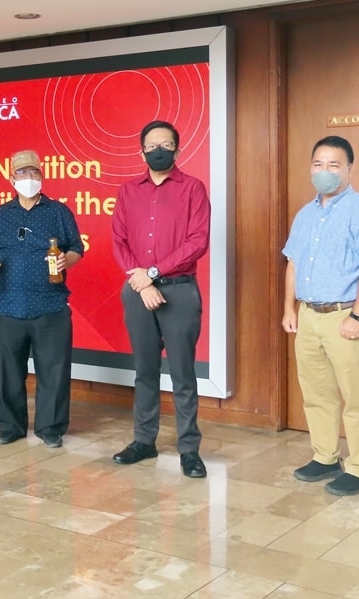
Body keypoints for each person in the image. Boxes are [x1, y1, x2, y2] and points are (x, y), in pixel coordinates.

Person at [282, 135, 359, 496]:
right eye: (318, 165)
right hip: (310, 316)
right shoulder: (305, 213)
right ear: (310, 168)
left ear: (349, 169)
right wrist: (289, 308)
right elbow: (293, 264)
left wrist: (358, 318)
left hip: (346, 316)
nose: (325, 171)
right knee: (317, 393)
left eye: (333, 165)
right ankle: (325, 456)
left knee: (356, 396)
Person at [111, 120, 211, 478]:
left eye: (166, 145)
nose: (159, 150)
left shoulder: (193, 190)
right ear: (141, 151)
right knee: (145, 371)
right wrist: (143, 281)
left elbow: (197, 242)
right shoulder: (128, 191)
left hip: (180, 290)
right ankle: (144, 441)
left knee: (183, 373)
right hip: (138, 290)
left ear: (177, 150)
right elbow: (119, 241)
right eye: (152, 145)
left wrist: (152, 273)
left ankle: (189, 450)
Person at [0, 149, 83, 448]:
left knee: (54, 371)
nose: (29, 178)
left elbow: (76, 247)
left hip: (51, 305)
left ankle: (51, 428)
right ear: (12, 179)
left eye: (34, 172)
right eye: (22, 173)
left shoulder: (59, 212)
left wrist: (66, 260)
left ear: (42, 176)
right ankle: (10, 426)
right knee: (8, 371)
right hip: (8, 305)